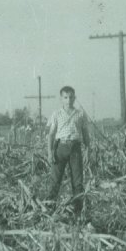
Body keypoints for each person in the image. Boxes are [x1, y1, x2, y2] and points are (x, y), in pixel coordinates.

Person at [46, 86, 90, 216]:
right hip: (60, 148)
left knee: (77, 181)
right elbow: (51, 135)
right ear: (61, 99)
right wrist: (50, 152)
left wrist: (88, 150)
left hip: (75, 149)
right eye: (65, 97)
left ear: (74, 98)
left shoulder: (80, 114)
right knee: (55, 180)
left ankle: (78, 212)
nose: (68, 100)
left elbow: (86, 135)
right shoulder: (56, 114)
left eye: (71, 97)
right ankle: (49, 209)